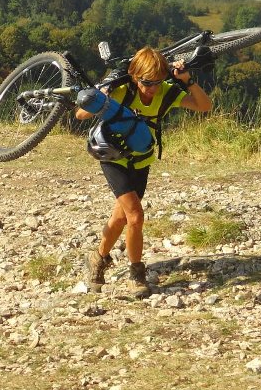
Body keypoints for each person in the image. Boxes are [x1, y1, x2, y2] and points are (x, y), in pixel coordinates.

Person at [75, 46, 212, 298]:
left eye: (157, 82)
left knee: (121, 218)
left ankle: (97, 259)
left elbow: (204, 106)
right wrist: (100, 93)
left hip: (142, 160)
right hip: (114, 159)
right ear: (134, 75)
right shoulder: (120, 91)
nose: (152, 88)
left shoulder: (166, 93)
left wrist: (187, 81)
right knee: (136, 216)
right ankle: (136, 274)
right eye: (146, 82)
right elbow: (81, 114)